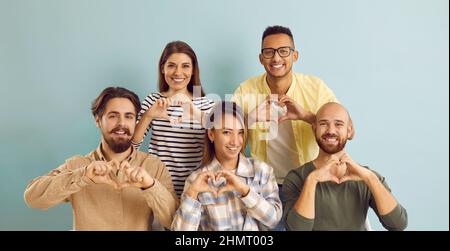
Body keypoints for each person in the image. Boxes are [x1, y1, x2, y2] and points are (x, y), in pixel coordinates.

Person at [24, 87, 178, 230]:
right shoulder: (78, 165)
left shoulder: (154, 166)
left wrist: (150, 186)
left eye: (129, 116)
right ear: (98, 120)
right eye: (113, 116)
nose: (122, 124)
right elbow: (33, 198)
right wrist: (84, 176)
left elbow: (176, 223)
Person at [232, 25, 337, 230]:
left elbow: (343, 131)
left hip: (309, 183)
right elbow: (221, 132)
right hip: (265, 187)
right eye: (269, 52)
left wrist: (307, 116)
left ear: (295, 55)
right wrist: (250, 118)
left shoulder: (316, 87)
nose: (276, 58)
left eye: (283, 51)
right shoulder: (246, 90)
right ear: (261, 58)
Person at [282, 102, 408, 230]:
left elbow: (398, 224)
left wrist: (370, 178)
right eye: (323, 124)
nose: (330, 131)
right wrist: (312, 180)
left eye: (338, 124)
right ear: (314, 129)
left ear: (349, 130)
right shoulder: (296, 178)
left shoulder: (366, 176)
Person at [171, 102, 282, 231]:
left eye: (240, 132)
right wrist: (192, 195)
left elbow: (273, 220)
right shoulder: (195, 180)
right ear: (211, 134)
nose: (235, 141)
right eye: (227, 132)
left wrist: (244, 191)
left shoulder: (262, 171)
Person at [132, 41, 215, 198]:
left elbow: (220, 142)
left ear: (192, 71)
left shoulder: (206, 103)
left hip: (195, 189)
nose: (178, 72)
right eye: (171, 65)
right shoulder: (153, 101)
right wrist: (148, 115)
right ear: (163, 68)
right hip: (158, 187)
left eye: (185, 66)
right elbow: (132, 146)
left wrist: (195, 113)